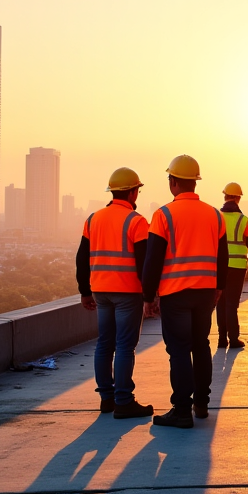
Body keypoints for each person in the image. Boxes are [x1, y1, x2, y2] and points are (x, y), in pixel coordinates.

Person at [142, 154, 229, 429]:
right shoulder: (215, 215)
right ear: (195, 182)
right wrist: (219, 287)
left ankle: (181, 410)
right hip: (205, 292)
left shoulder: (163, 215)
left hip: (175, 293)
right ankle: (201, 403)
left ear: (173, 182)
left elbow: (152, 260)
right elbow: (223, 256)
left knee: (179, 350)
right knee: (200, 344)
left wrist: (148, 297)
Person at [76, 167, 154, 419]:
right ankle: (124, 401)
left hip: (101, 291)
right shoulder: (137, 221)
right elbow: (144, 263)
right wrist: (150, 296)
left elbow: (81, 258)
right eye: (137, 190)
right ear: (132, 192)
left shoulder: (93, 219)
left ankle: (107, 399)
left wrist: (85, 291)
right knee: (124, 346)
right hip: (127, 292)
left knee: (104, 344)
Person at [217, 182, 248, 349]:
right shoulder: (243, 220)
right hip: (238, 266)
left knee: (220, 302)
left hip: (219, 265)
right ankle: (233, 339)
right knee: (232, 303)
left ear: (225, 196)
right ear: (238, 198)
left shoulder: (217, 217)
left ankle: (221, 339)